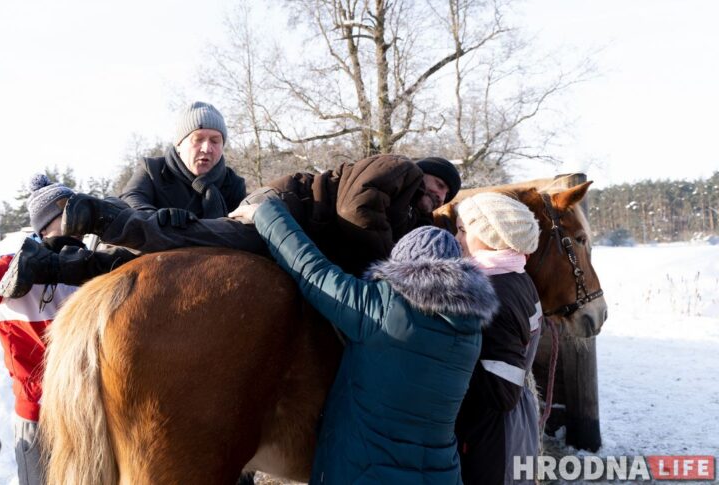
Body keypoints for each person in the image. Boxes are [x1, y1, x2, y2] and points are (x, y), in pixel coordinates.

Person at [231, 198, 498, 484]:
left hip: (366, 472)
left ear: (403, 266)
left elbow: (313, 271)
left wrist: (266, 213)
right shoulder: (471, 330)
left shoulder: (381, 308)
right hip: (441, 473)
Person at [62, 153, 461, 276]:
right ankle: (105, 217)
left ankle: (85, 266)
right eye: (437, 182)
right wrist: (386, 263)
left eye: (444, 192)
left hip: (301, 237)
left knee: (197, 266)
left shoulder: (415, 218)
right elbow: (355, 208)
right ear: (422, 171)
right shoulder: (399, 169)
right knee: (216, 239)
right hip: (288, 208)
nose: (437, 192)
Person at [0, 101, 244, 298]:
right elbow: (131, 199)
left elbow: (235, 233)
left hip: (207, 264)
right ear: (179, 144)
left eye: (215, 141)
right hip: (151, 256)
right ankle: (47, 264)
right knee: (123, 248)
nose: (206, 148)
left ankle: (65, 250)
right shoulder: (152, 169)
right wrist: (157, 218)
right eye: (198, 139)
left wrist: (175, 229)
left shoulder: (233, 184)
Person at [0, 176, 83, 485]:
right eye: (69, 213)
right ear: (46, 224)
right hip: (37, 414)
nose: (80, 220)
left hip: (87, 412)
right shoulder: (18, 264)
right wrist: (17, 264)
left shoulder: (91, 262)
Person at [452, 192, 542, 485]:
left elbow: (501, 391)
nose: (456, 237)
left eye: (464, 230)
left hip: (491, 439)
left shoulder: (492, 293)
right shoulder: (518, 275)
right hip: (513, 425)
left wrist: (450, 358)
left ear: (489, 236)